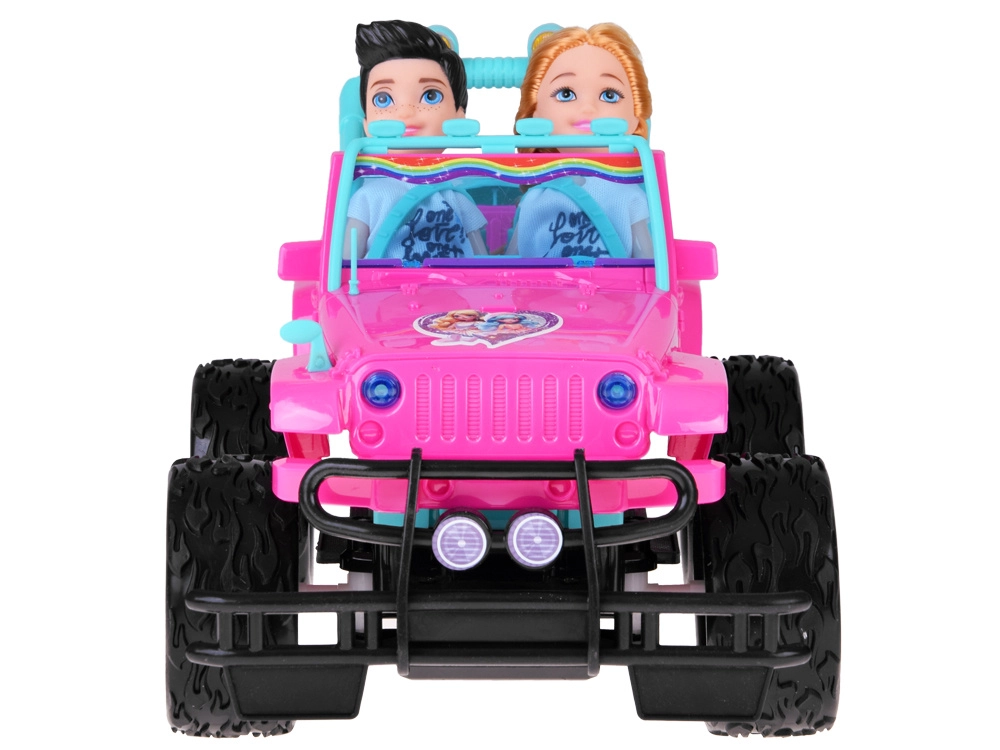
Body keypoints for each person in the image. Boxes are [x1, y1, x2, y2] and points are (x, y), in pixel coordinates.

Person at [507, 24, 653, 259]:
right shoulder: (537, 197)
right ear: (535, 114)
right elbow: (510, 260)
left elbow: (648, 262)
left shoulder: (628, 195)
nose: (588, 108)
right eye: (566, 94)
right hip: (543, 283)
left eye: (609, 95)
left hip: (610, 283)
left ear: (636, 119)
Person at [345, 20, 487, 262]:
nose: (406, 113)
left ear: (458, 116)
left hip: (456, 285)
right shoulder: (368, 197)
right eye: (383, 99)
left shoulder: (454, 196)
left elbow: (482, 260)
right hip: (385, 285)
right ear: (366, 124)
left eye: (430, 96)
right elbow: (346, 263)